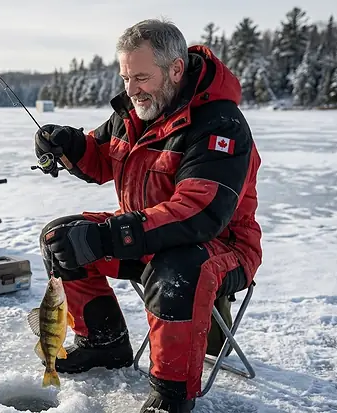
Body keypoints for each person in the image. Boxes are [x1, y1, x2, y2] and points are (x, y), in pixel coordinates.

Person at [34, 18, 262, 413]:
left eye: (140, 77)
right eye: (125, 77)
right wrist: (69, 144)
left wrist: (111, 236)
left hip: (222, 248)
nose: (130, 89)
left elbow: (200, 212)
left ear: (175, 68)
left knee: (176, 266)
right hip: (142, 233)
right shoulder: (134, 112)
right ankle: (103, 343)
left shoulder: (220, 125)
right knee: (62, 238)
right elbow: (101, 158)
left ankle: (172, 394)